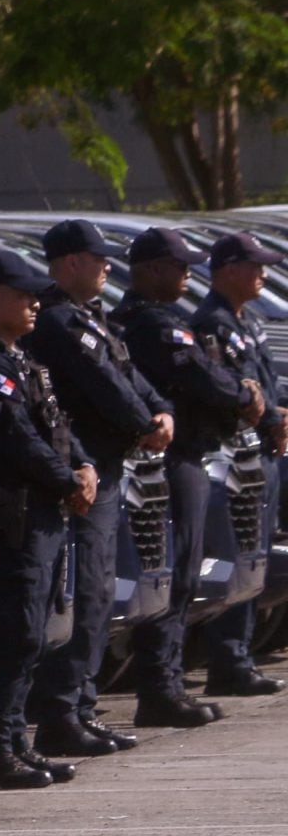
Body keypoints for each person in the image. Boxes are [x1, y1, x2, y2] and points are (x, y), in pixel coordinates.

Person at [0, 250, 93, 790]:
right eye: (24, 294)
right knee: (15, 637)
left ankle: (14, 744)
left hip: (42, 515)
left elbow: (54, 428)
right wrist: (67, 480)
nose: (35, 302)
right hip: (13, 517)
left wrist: (83, 466)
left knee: (30, 638)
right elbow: (16, 439)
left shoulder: (23, 363)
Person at [26, 220, 168, 756]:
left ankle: (81, 706)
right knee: (83, 593)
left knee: (99, 594)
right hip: (80, 472)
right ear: (69, 263)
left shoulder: (91, 317)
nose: (109, 266)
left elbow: (128, 373)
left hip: (106, 467)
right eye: (98, 257)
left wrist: (159, 411)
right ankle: (62, 712)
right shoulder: (60, 321)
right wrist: (143, 423)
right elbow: (101, 384)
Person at [119, 227, 250, 727]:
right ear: (152, 269)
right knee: (173, 577)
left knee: (181, 577)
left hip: (186, 458)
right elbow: (200, 376)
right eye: (179, 265)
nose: (188, 274)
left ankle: (166, 683)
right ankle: (160, 689)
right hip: (173, 463)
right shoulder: (152, 323)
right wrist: (242, 395)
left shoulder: (160, 318)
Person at [192, 231, 286, 699]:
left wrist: (281, 412)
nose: (262, 275)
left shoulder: (246, 321)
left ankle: (241, 655)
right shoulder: (212, 323)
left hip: (261, 453)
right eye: (255, 266)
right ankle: (228, 659)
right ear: (228, 270)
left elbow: (265, 384)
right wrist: (270, 415)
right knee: (236, 556)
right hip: (237, 456)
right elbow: (233, 389)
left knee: (254, 557)